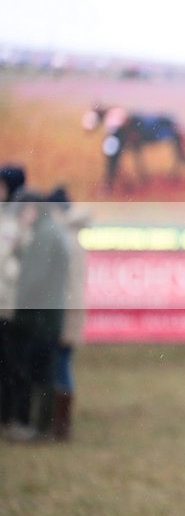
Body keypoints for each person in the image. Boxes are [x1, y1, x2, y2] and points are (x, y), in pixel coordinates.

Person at [5, 190, 69, 442]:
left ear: (31, 208)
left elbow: (34, 277)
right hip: (47, 315)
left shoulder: (44, 234)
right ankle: (45, 426)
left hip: (40, 317)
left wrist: (18, 302)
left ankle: (41, 428)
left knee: (40, 373)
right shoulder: (50, 230)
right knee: (44, 371)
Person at [48, 187, 90, 440]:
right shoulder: (72, 235)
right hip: (70, 309)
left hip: (63, 310)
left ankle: (60, 424)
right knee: (63, 363)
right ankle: (60, 422)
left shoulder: (64, 237)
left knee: (60, 365)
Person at [0, 164, 26, 434]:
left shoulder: (16, 223)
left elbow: (16, 267)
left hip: (10, 307)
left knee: (10, 365)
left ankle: (10, 417)